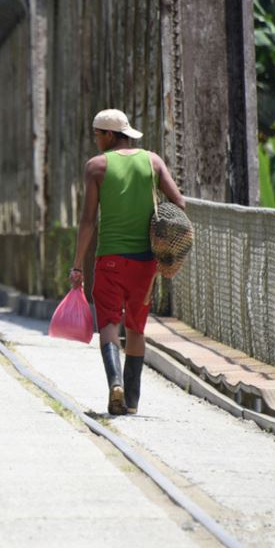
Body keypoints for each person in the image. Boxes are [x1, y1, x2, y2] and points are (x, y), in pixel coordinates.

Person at [70, 109, 185, 415]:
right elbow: (180, 203)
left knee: (108, 324)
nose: (95, 139)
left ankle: (115, 384)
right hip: (145, 263)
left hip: (109, 260)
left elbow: (88, 221)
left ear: (109, 135)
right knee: (136, 328)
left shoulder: (96, 167)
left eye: (97, 134)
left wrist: (78, 264)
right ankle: (132, 400)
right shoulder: (153, 161)